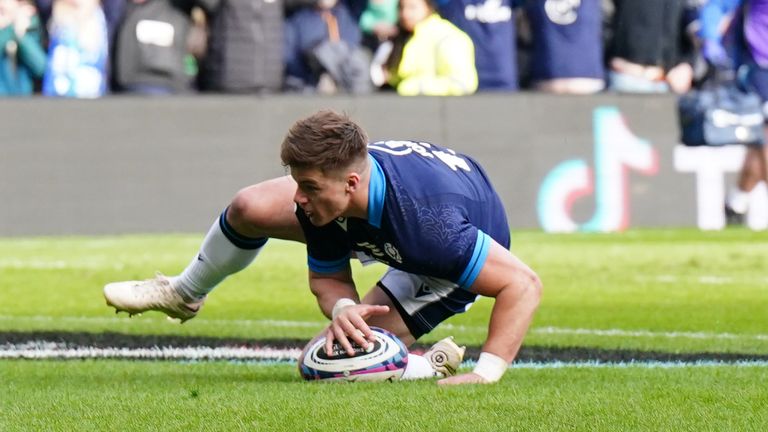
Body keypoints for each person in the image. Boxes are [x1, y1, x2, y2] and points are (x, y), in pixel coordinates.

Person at [104, 110, 542, 385]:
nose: (298, 197)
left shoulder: (433, 231)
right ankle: (185, 291)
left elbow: (523, 284)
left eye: (308, 186)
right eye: (298, 183)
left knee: (324, 363)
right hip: (381, 218)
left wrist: (487, 374)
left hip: (433, 262)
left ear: (351, 184)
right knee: (250, 206)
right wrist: (342, 308)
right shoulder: (327, 200)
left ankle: (432, 364)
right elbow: (329, 278)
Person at [699, 0, 768, 223]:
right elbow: (716, 7)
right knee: (765, 139)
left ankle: (736, 203)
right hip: (760, 67)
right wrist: (710, 38)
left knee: (758, 144)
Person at [375, 0, 478, 95]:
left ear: (429, 7)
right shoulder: (405, 37)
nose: (405, 14)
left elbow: (463, 84)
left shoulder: (448, 37)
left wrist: (414, 87)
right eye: (401, 8)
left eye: (412, 7)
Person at [606, 0, 699, 94]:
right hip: (626, 75)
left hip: (670, 80)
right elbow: (601, 15)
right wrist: (612, 59)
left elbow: (692, 22)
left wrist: (686, 63)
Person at [0, 0, 46, 96]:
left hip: (23, 101)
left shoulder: (30, 27)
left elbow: (40, 67)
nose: (2, 4)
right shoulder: (15, 28)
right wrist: (12, 29)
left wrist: (21, 37)